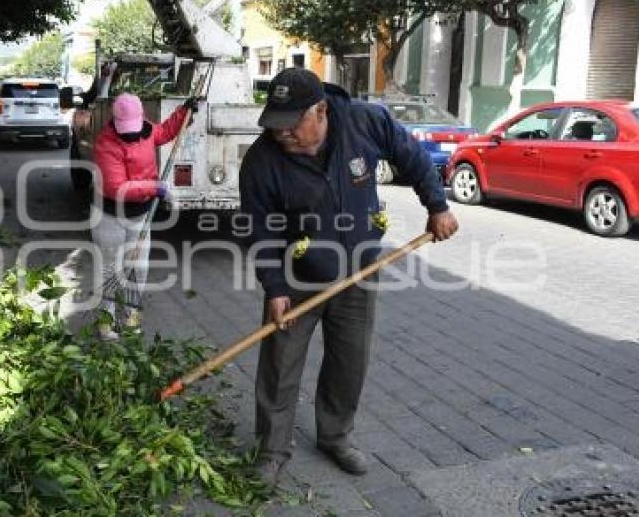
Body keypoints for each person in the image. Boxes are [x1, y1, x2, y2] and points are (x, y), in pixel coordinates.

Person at [238, 68, 458, 486]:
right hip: (298, 275)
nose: (280, 134)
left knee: (349, 359)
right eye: (275, 124)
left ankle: (335, 436)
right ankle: (271, 451)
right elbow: (258, 229)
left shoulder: (364, 122)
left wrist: (438, 205)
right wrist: (275, 287)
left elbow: (411, 157)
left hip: (359, 267)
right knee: (280, 364)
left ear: (320, 111)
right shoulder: (262, 161)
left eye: (290, 125)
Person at [91, 93, 198, 340]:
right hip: (110, 216)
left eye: (133, 127)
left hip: (139, 215)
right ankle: (106, 321)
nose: (130, 134)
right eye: (125, 129)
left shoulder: (147, 130)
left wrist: (185, 112)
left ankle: (130, 317)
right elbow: (117, 188)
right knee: (112, 270)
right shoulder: (106, 144)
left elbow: (165, 132)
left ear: (141, 119)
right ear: (115, 121)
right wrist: (154, 188)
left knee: (138, 269)